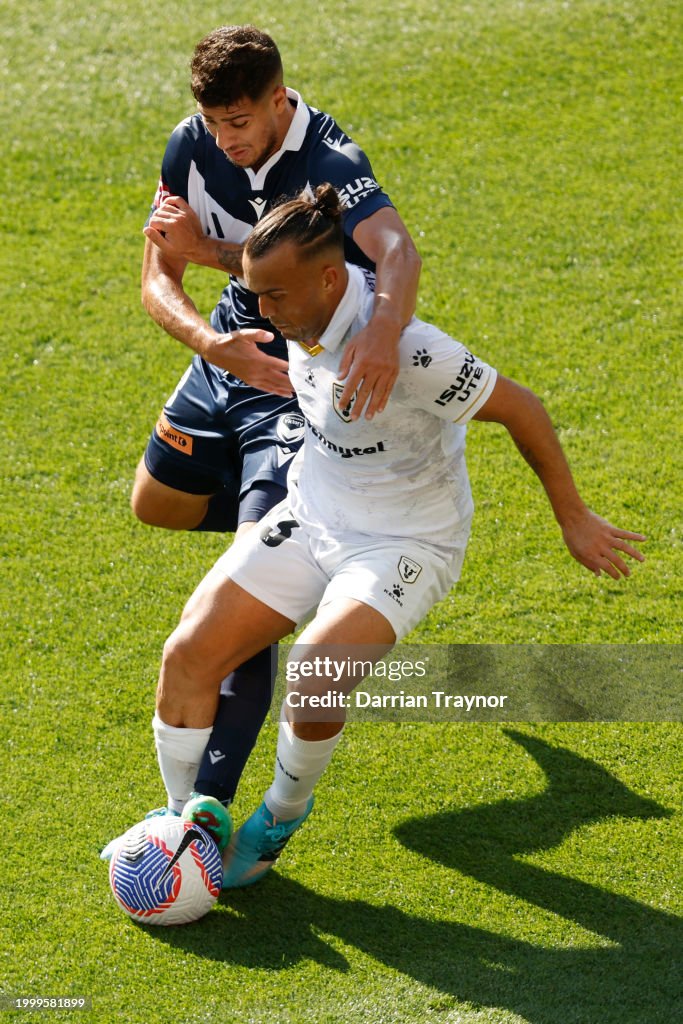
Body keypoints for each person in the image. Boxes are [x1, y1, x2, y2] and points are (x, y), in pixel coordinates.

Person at [131, 183, 646, 888]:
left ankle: (280, 816)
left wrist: (573, 517)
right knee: (188, 654)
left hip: (404, 542)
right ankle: (180, 826)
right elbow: (263, 275)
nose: (262, 311)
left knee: (314, 676)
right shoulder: (291, 297)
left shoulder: (411, 353)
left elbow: (521, 408)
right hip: (313, 512)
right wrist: (198, 257)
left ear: (330, 279)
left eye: (273, 296)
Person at [134, 25, 421, 815]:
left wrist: (385, 335)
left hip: (298, 373)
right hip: (229, 354)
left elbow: (395, 253)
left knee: (246, 581)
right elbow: (157, 274)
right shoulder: (188, 149)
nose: (226, 140)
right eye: (215, 121)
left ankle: (205, 811)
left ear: (277, 96)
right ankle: (329, 527)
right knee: (156, 502)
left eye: (241, 122)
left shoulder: (329, 163)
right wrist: (212, 344)